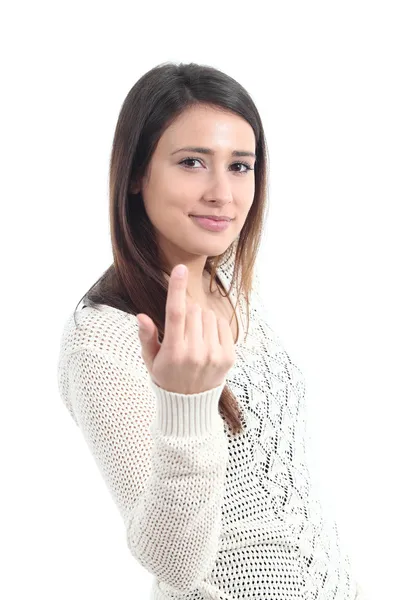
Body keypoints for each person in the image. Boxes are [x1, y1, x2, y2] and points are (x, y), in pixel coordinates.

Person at [57, 62, 368, 600]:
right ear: (136, 173)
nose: (222, 193)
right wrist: (186, 405)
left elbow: (292, 500)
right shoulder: (104, 340)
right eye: (193, 162)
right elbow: (175, 562)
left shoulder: (229, 287)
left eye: (240, 166)